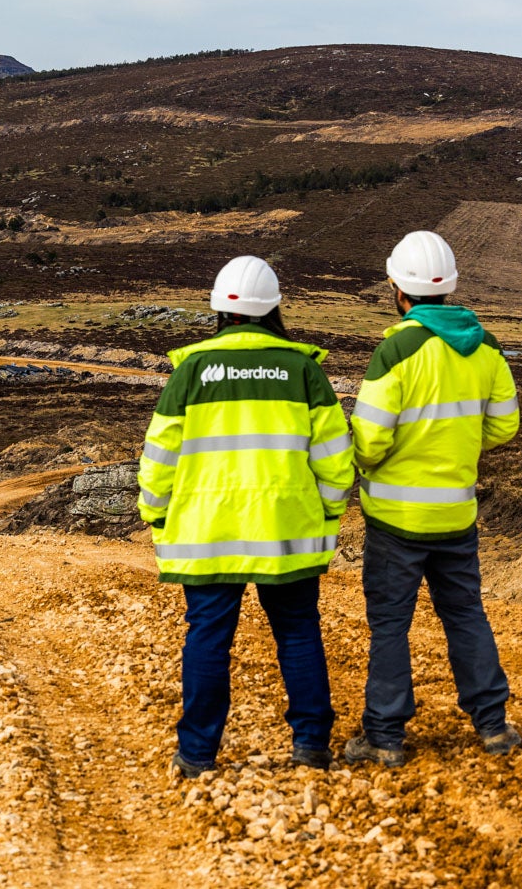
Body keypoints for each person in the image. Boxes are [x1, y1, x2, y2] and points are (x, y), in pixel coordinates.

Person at [138, 256, 355, 777]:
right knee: (299, 632)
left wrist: (157, 515)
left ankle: (197, 755)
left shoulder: (191, 370)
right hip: (287, 529)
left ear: (219, 310)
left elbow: (159, 458)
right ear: (275, 307)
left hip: (207, 532)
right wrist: (327, 513)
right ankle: (311, 746)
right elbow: (334, 460)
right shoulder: (304, 370)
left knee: (208, 638)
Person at [345, 230, 522, 768]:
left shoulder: (396, 350)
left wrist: (374, 462)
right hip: (456, 513)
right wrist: (460, 447)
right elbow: (505, 425)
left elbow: (370, 440)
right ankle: (492, 725)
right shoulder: (486, 347)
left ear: (398, 288)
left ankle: (385, 735)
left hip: (396, 519)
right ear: (448, 288)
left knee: (391, 625)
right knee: (465, 614)